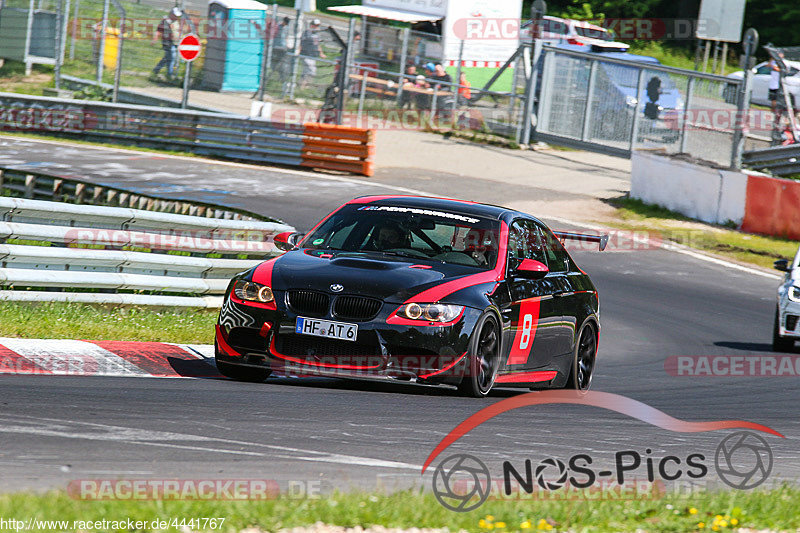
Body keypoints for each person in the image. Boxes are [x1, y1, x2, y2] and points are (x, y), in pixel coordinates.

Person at [152, 7, 182, 80]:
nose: (176, 17)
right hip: (168, 43)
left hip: (175, 43)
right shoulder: (165, 21)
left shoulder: (176, 21)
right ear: (171, 14)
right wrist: (155, 39)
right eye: (175, 15)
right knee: (171, 58)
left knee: (167, 58)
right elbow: (159, 30)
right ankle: (170, 74)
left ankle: (156, 70)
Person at [299, 18, 326, 89]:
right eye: (315, 25)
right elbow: (301, 42)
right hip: (306, 54)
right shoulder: (306, 33)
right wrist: (299, 51)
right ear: (311, 25)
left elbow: (318, 45)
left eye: (318, 26)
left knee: (306, 71)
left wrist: (321, 53)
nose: (317, 27)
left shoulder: (317, 34)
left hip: (313, 55)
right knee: (311, 70)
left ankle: (303, 86)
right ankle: (304, 86)